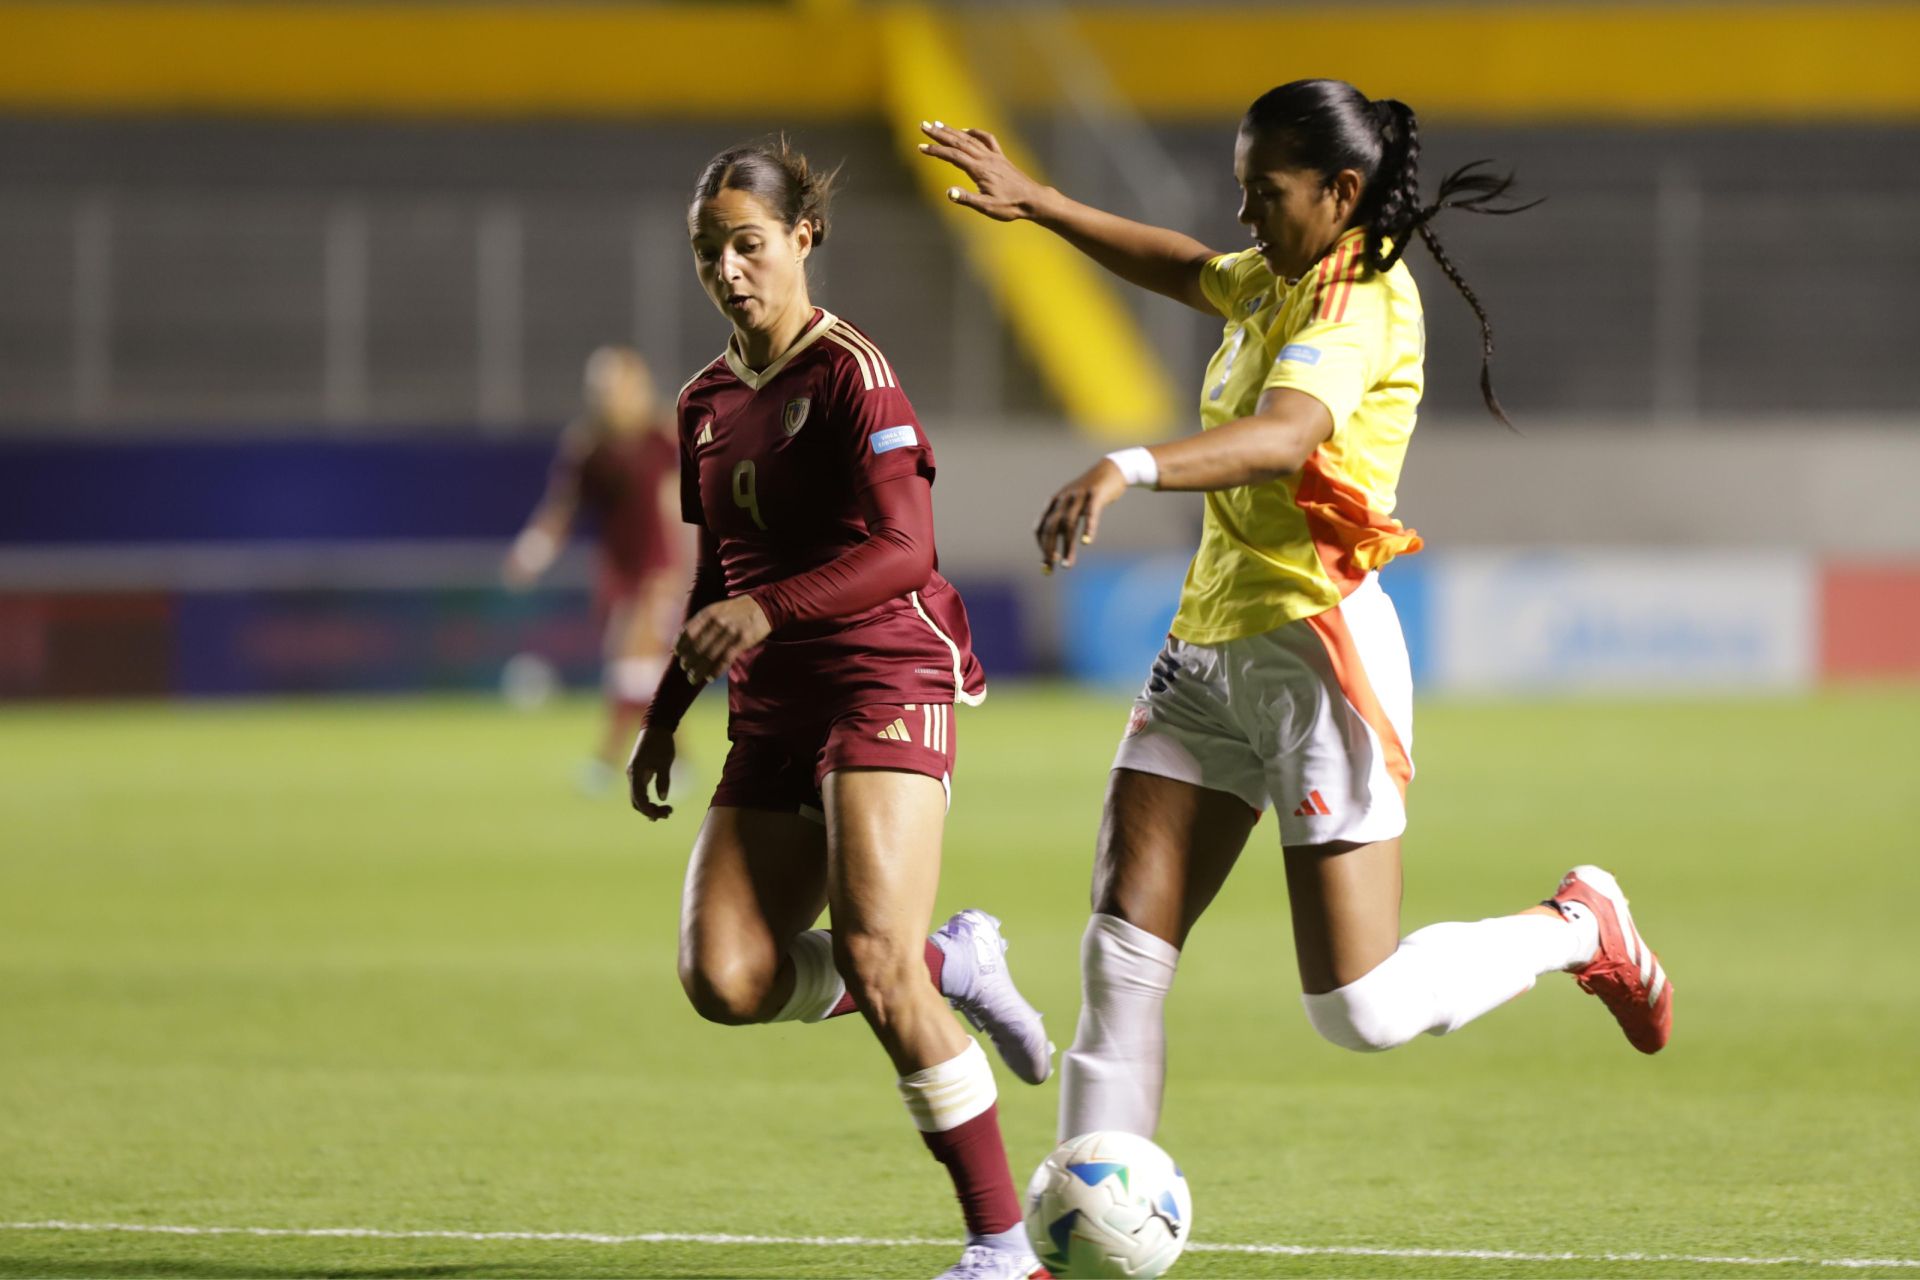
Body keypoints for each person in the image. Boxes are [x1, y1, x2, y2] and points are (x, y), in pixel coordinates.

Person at [919, 80, 1672, 1147]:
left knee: (1358, 1008)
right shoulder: (1277, 277)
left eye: (1263, 192)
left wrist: (1128, 465)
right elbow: (1184, 265)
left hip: (1318, 654)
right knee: (1121, 953)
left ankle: (1577, 925)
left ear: (1340, 192)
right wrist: (1039, 201)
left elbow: (1284, 435)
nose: (1243, 214)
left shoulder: (1357, 298)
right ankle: (1087, 1210)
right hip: (1206, 649)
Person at [626, 138, 1052, 1280]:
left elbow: (907, 550)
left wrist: (766, 611)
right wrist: (666, 711)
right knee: (725, 977)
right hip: (771, 707)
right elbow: (716, 575)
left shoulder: (853, 373)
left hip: (881, 675)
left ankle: (1004, 1250)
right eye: (708, 252)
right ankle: (953, 960)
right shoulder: (703, 401)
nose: (728, 269)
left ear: (803, 237)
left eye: (748, 244)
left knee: (873, 960)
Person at [504, 346, 688, 788]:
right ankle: (673, 758)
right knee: (641, 669)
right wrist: (532, 552)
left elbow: (685, 501)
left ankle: (610, 760)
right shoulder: (588, 446)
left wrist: (695, 565)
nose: (607, 397)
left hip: (660, 568)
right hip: (616, 570)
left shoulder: (662, 435)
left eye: (615, 387)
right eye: (598, 390)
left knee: (633, 661)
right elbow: (563, 508)